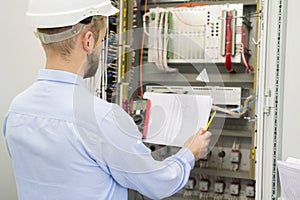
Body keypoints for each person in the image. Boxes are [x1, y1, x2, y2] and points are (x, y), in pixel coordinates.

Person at [3, 0, 212, 199]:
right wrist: (188, 154)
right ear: (88, 41)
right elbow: (158, 183)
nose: (102, 48)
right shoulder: (102, 118)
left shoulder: (17, 110)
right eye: (103, 40)